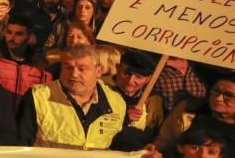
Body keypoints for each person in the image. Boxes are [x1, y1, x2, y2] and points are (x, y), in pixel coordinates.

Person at [18, 45, 149, 150]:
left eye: (82, 69)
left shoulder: (116, 101)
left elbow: (120, 149)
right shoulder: (38, 96)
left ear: (98, 71)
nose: (74, 74)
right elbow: (20, 145)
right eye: (68, 67)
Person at [156, 74, 235, 158]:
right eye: (216, 91)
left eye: (229, 96)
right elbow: (162, 143)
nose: (218, 98)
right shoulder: (188, 110)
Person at [0, 13, 52, 114]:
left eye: (19, 34)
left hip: (25, 119)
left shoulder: (40, 65)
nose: (12, 38)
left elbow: (43, 99)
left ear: (29, 37)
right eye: (9, 32)